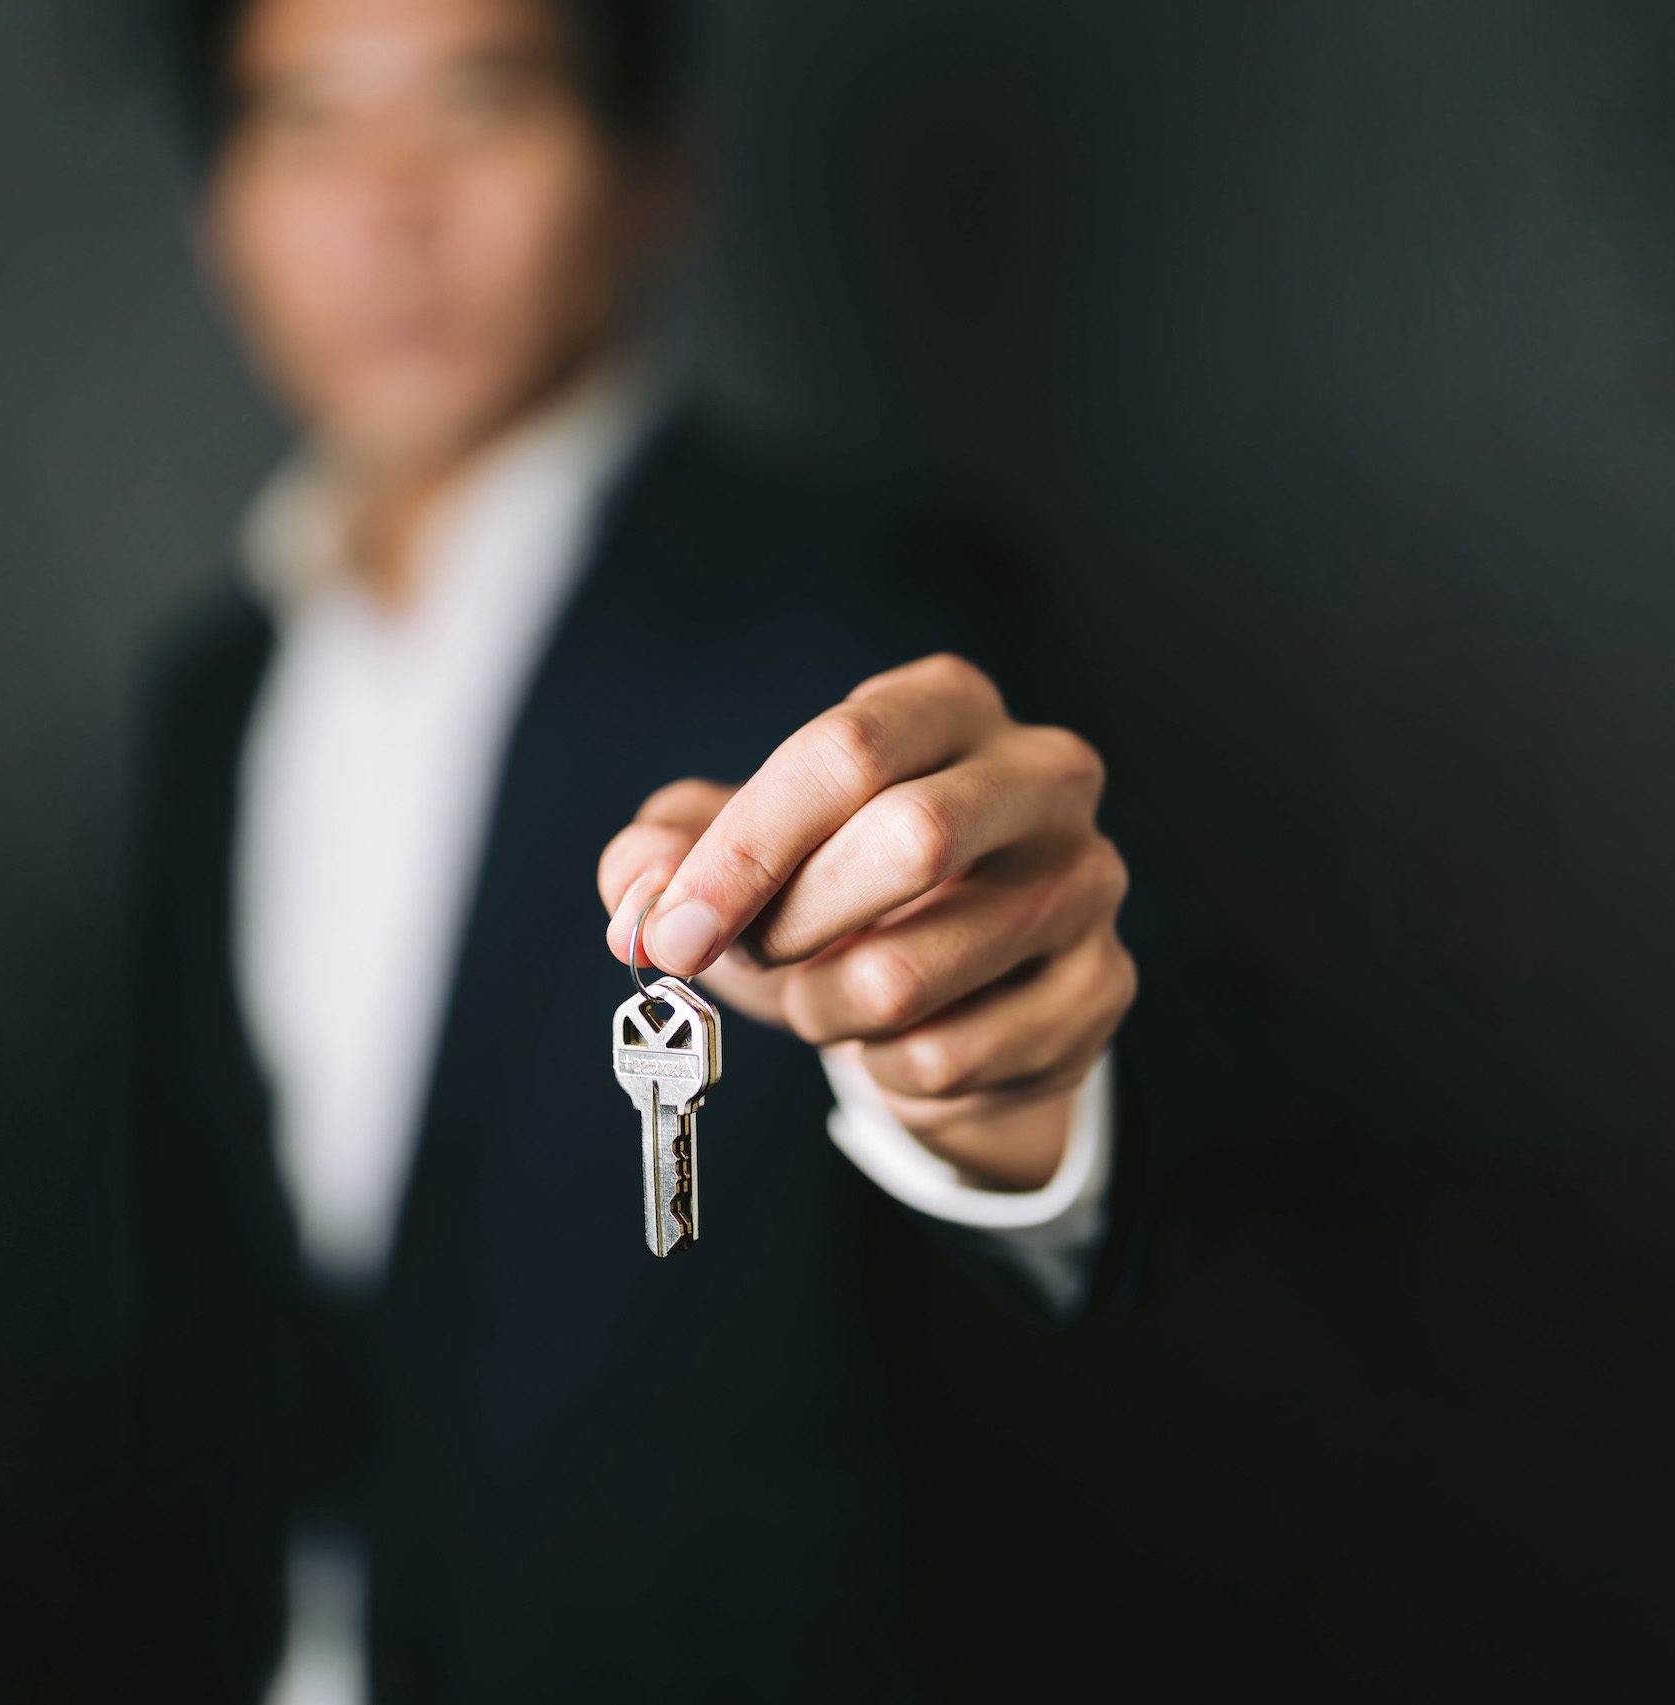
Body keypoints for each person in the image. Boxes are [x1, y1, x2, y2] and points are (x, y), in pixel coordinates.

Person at [124, 1, 1151, 1698]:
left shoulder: (874, 619)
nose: (392, 204)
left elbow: (1174, 1105)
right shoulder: (207, 694)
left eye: (482, 103)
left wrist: (1007, 1094)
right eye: (309, 124)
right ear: (219, 211)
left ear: (655, 178)